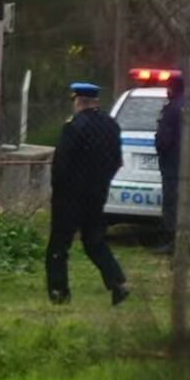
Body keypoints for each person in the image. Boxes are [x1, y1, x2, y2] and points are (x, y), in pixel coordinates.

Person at [46, 84, 129, 306]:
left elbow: (61, 165)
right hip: (98, 193)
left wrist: (57, 191)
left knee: (59, 245)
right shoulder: (111, 125)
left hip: (70, 196)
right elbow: (116, 161)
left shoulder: (73, 127)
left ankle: (58, 291)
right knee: (95, 241)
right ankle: (118, 282)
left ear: (78, 101)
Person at [154, 75, 190, 255]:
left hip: (172, 165)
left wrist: (161, 152)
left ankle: (174, 243)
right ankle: (188, 239)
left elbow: (164, 139)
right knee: (188, 203)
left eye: (168, 88)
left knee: (171, 204)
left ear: (173, 89)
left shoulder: (171, 109)